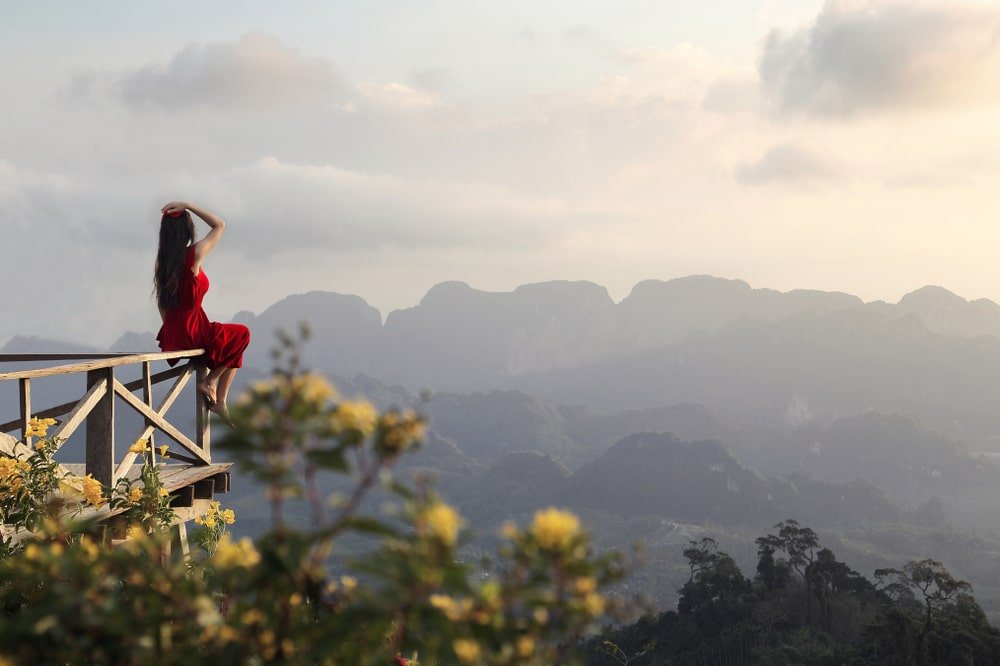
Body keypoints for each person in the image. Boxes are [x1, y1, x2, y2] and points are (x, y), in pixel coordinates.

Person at [153, 201, 250, 420]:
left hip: (173, 331)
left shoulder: (162, 263)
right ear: (187, 230)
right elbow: (219, 225)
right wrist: (188, 204)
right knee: (242, 334)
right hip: (193, 328)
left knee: (231, 342)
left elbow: (161, 303)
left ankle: (220, 400)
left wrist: (170, 331)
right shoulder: (193, 255)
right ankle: (210, 382)